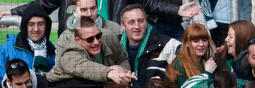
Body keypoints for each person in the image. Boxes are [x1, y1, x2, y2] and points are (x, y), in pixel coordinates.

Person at [0, 0, 201, 37]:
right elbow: (44, 3)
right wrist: (14, 12)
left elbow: (148, 2)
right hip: (78, 45)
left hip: (113, 44)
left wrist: (176, 10)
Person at [46, 16, 134, 86]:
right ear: (78, 40)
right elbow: (84, 67)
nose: (96, 42)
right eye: (90, 39)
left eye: (98, 36)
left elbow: (122, 58)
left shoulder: (109, 37)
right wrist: (109, 73)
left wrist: (124, 73)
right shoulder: (70, 52)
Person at [119, 3, 181, 87]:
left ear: (147, 21)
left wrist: (163, 83)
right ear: (123, 25)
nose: (137, 26)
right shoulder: (115, 45)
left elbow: (187, 69)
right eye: (131, 22)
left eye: (141, 21)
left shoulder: (167, 44)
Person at [0, 2, 55, 78]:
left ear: (47, 26)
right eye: (31, 24)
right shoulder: (6, 49)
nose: (36, 29)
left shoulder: (52, 49)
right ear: (25, 26)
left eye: (40, 24)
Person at [165, 23, 217, 88]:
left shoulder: (205, 60)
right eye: (196, 41)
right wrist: (207, 74)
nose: (201, 44)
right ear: (187, 44)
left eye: (204, 40)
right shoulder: (180, 64)